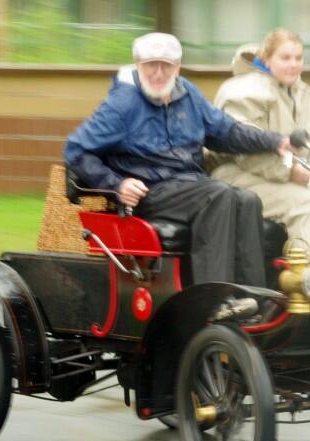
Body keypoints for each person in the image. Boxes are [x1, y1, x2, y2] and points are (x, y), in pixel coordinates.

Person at [65, 32, 290, 287]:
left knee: (248, 200)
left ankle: (252, 295)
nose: (159, 73)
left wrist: (275, 142)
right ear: (139, 65)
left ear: (177, 67)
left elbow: (227, 131)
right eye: (151, 65)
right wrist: (118, 184)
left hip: (190, 186)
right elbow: (76, 150)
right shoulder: (122, 104)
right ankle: (214, 301)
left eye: (166, 65)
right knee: (219, 195)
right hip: (150, 192)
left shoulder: (188, 94)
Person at [211, 28, 310, 258]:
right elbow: (243, 150)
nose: (293, 64)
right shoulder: (243, 92)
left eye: (298, 58)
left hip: (298, 177)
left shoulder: (308, 96)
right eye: (285, 58)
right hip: (236, 176)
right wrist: (290, 172)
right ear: (266, 59)